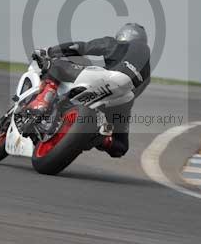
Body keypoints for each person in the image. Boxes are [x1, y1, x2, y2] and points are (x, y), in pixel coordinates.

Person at [28, 23, 151, 158]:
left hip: (106, 78)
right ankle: (102, 137)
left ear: (123, 35)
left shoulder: (118, 44)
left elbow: (81, 47)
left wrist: (49, 51)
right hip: (121, 100)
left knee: (57, 65)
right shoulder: (147, 73)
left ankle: (42, 102)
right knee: (120, 146)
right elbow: (133, 94)